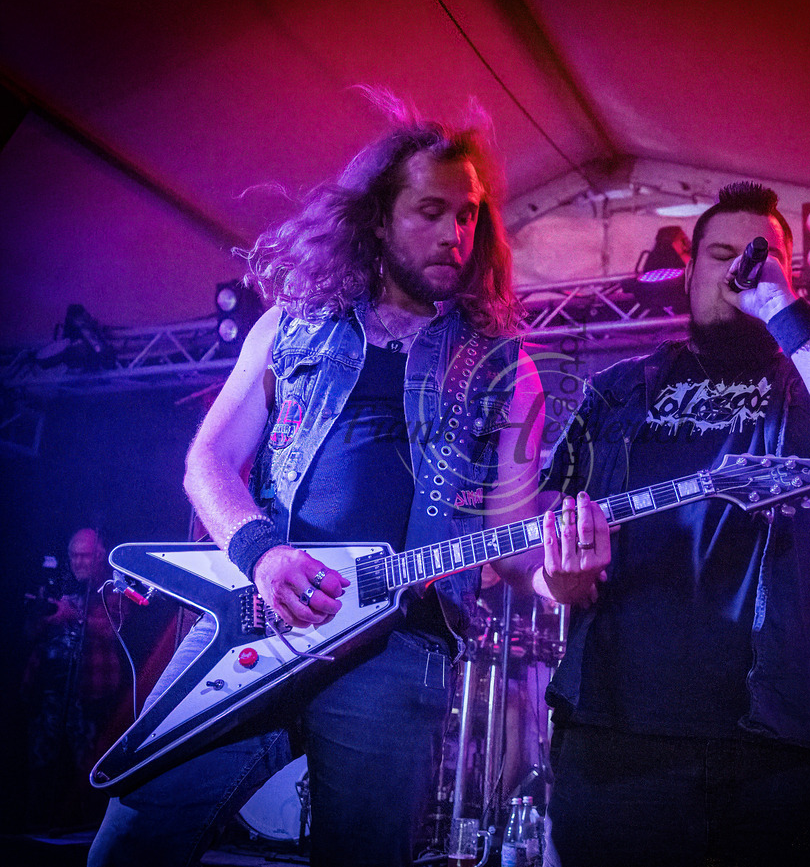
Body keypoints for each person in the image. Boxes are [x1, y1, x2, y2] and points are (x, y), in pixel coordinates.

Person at [88, 101, 607, 867]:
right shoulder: (289, 326)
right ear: (377, 220)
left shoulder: (507, 367)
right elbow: (207, 461)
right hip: (255, 618)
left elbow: (515, 539)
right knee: (129, 843)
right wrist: (262, 553)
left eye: (468, 215)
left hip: (399, 650)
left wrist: (563, 575)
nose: (455, 234)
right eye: (431, 211)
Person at [539, 182, 810, 867]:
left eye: (760, 257)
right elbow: (543, 550)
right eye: (721, 255)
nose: (738, 272)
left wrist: (780, 306)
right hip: (621, 747)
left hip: (792, 755)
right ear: (688, 272)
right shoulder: (618, 392)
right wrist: (561, 581)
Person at [22, 527, 125, 830]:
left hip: (92, 695)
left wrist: (72, 615)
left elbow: (113, 629)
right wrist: (41, 616)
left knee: (90, 766)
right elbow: (29, 635)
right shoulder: (58, 586)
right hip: (49, 694)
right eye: (73, 556)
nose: (78, 562)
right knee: (41, 765)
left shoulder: (111, 588)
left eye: (85, 556)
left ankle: (90, 831)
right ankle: (37, 826)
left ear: (100, 556)